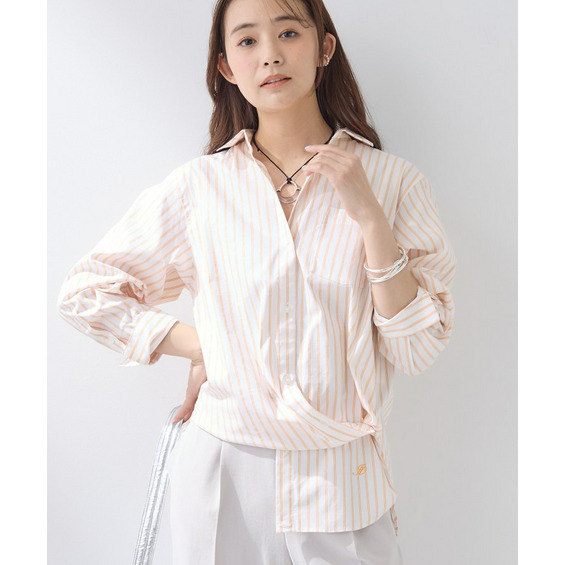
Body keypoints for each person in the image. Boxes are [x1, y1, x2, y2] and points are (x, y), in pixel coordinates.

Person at [57, 0, 456, 563]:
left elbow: (416, 348)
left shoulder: (393, 183)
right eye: (247, 41)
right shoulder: (200, 187)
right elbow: (85, 291)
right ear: (226, 66)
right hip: (224, 472)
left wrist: (370, 219)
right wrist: (207, 345)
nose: (270, 54)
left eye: (288, 32)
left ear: (324, 48)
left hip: (343, 478)